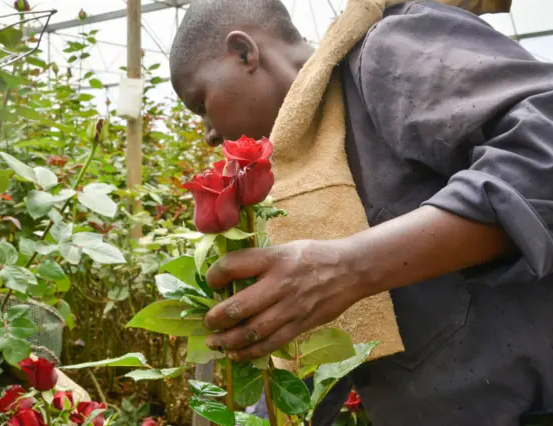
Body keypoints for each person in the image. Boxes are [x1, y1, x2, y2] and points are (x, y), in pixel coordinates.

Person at [169, 0, 553, 425]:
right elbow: (336, 354)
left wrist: (352, 265)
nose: (207, 134)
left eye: (201, 103)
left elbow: (543, 142)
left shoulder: (387, 49)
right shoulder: (306, 176)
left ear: (244, 53)